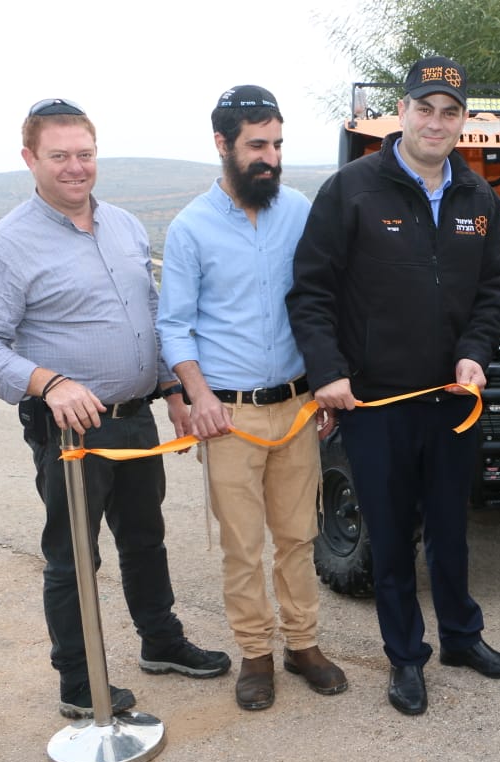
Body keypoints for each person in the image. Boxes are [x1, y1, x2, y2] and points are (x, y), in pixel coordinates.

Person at [0, 98, 230, 719]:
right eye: (59, 156)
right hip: (69, 429)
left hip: (135, 415)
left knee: (146, 538)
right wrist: (50, 384)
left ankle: (161, 643)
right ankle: (80, 683)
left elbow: (150, 318)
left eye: (84, 154)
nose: (75, 168)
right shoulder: (6, 246)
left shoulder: (125, 226)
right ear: (30, 159)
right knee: (74, 554)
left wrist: (171, 391)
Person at [287, 55, 500, 716]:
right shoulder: (352, 189)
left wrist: (476, 354)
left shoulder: (478, 198)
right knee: (391, 536)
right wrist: (329, 372)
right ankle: (406, 658)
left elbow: (492, 291)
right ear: (404, 112)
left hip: (453, 403)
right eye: (425, 108)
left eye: (450, 112)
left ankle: (463, 639)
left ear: (462, 120)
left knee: (452, 529)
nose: (436, 122)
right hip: (376, 403)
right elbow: (310, 292)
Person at [157, 85, 346, 712]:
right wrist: (198, 394)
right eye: (257, 145)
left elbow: (323, 300)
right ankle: (256, 656)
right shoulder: (189, 228)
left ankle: (303, 645)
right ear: (223, 145)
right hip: (227, 415)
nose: (270, 157)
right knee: (242, 545)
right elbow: (174, 324)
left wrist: (322, 384)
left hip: (296, 408)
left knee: (297, 536)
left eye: (278, 144)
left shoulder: (299, 211)